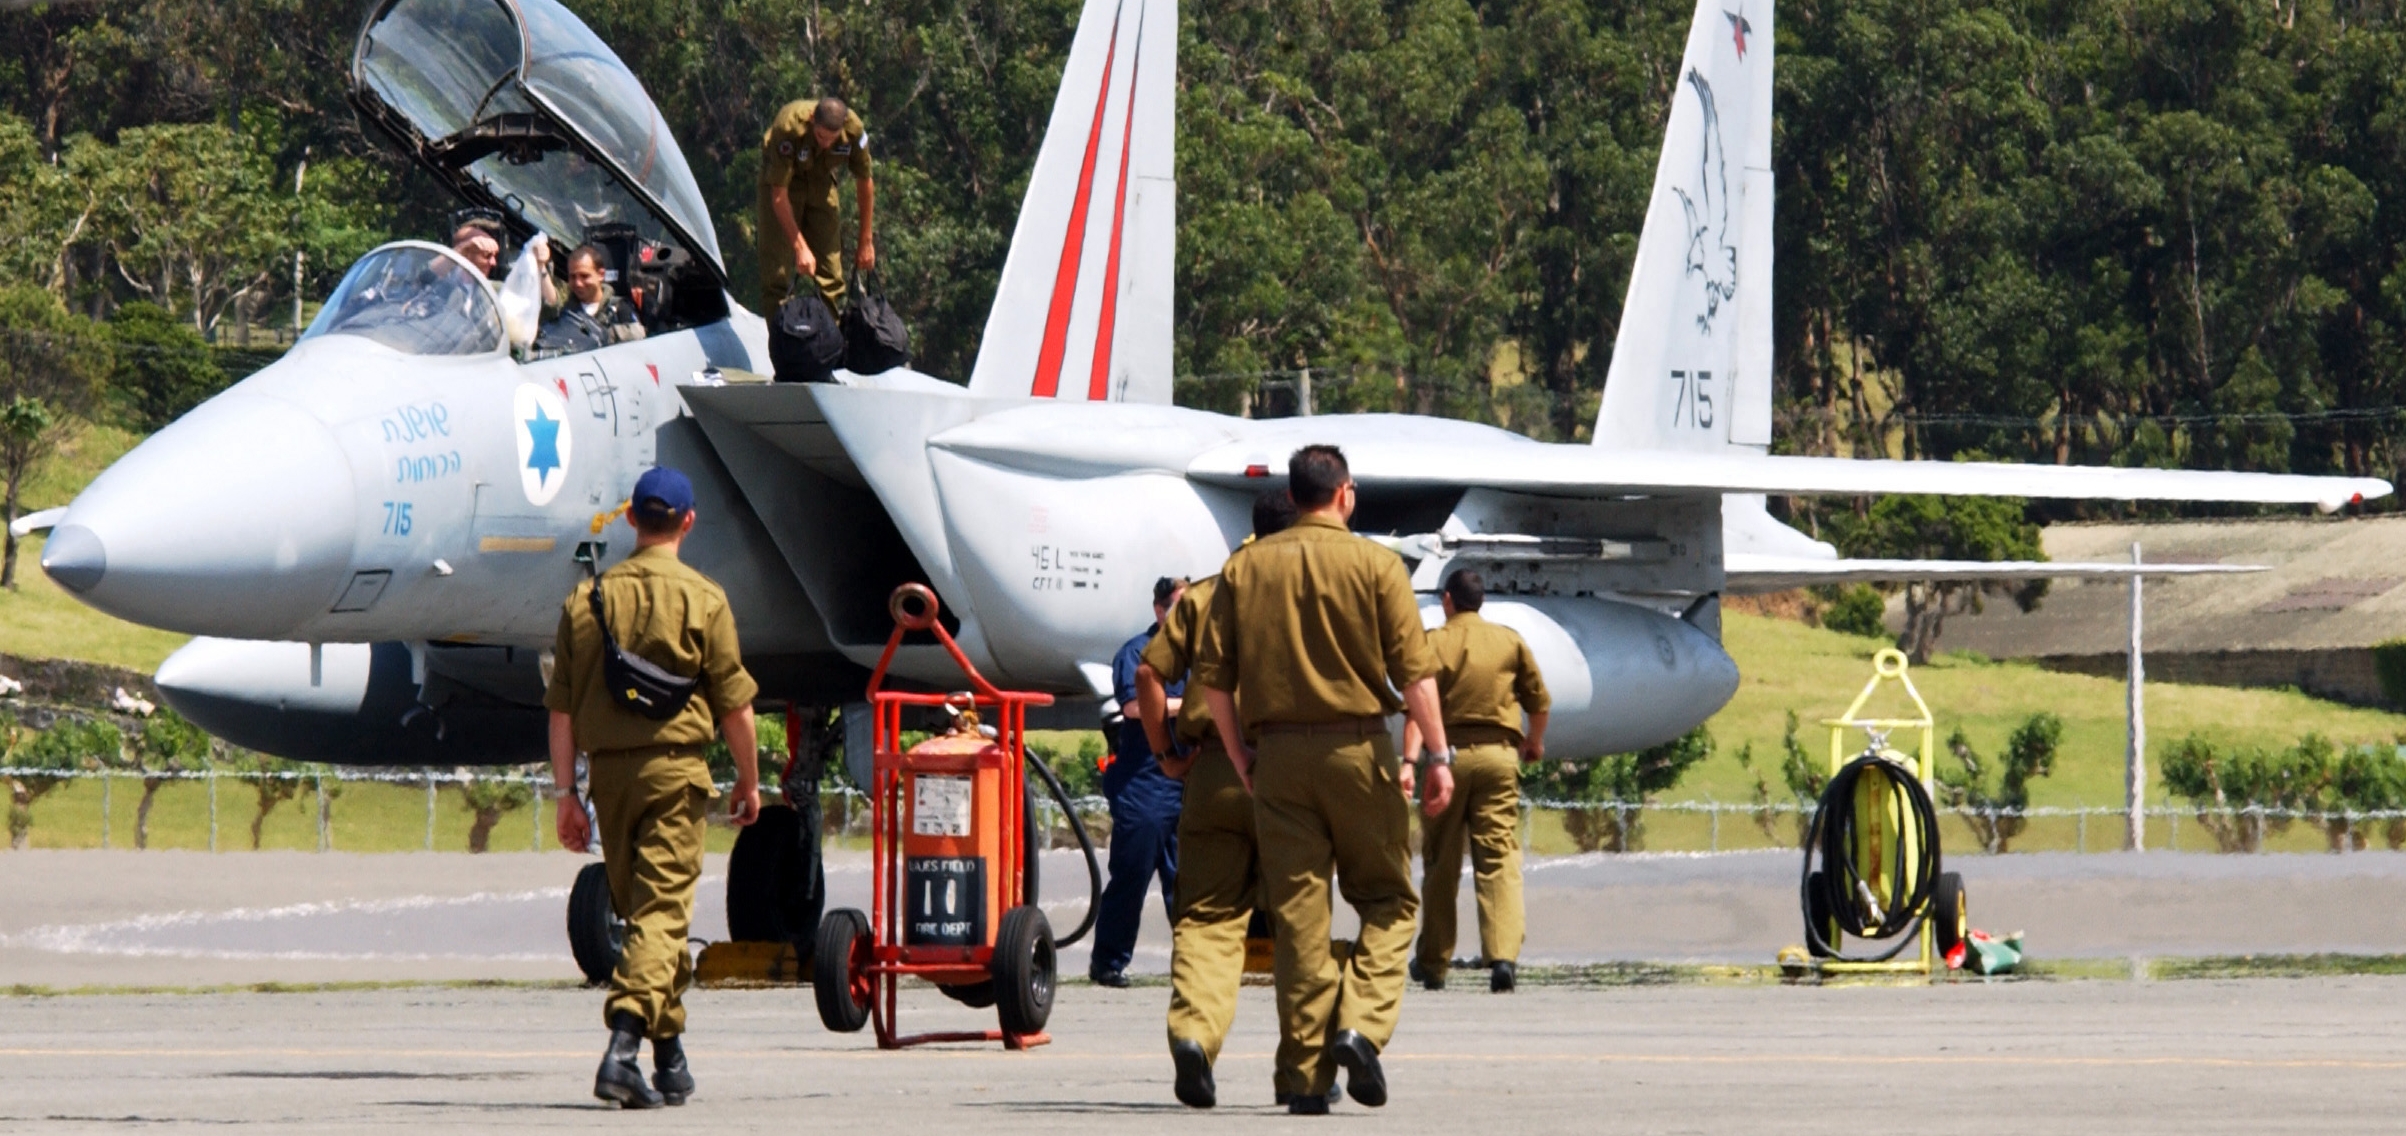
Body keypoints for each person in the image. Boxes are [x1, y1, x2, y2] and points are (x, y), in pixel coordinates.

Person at [1193, 444, 1454, 1115]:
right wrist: (1438, 758)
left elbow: (1214, 682)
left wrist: (1243, 757)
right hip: (1358, 752)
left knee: (1300, 923)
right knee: (1390, 900)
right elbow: (1415, 673)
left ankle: (1307, 1080)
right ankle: (1360, 1025)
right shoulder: (1376, 564)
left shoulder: (1243, 568)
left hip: (1277, 758)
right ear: (1344, 494)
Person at [546, 467, 763, 1109]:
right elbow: (736, 708)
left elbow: (560, 712)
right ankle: (622, 1048)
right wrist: (749, 782)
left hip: (609, 781)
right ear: (688, 522)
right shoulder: (705, 599)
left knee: (647, 922)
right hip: (674, 777)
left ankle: (668, 1055)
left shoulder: (585, 604)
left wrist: (566, 794)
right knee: (661, 918)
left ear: (633, 520)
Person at [1142, 489, 1308, 1110]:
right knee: (1299, 922)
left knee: (1208, 919)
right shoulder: (1317, 589)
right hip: (1294, 768)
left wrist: (1166, 756)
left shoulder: (1208, 592)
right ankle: (1301, 1067)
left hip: (1212, 770)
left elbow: (1147, 675)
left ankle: (1193, 1035)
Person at [1403, 569, 1549, 995]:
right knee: (1499, 857)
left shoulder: (1431, 642)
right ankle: (1502, 956)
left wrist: (1411, 761)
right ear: (1480, 601)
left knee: (1440, 862)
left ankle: (1433, 962)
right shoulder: (1509, 640)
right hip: (1499, 759)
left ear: (1447, 600)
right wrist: (1535, 743)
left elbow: (1417, 709)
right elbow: (1539, 702)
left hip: (1446, 758)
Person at [1091, 576, 1189, 987]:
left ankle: (1195, 964)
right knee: (1132, 875)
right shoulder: (1137, 652)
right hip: (1143, 785)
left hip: (1186, 780)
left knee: (1187, 880)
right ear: (1159, 610)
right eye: (1178, 608)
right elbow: (1134, 707)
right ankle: (1109, 962)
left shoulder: (1199, 656)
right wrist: (1196, 705)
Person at [757, 96, 875, 312]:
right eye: (821, 136)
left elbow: (865, 182)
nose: (826, 143)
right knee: (778, 275)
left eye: (832, 138)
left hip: (821, 182)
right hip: (783, 183)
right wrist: (800, 247)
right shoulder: (788, 127)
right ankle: (781, 341)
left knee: (831, 273)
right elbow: (778, 196)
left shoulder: (854, 131)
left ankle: (829, 341)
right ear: (812, 120)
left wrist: (866, 240)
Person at [539, 244, 648, 352]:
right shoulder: (567, 312)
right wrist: (541, 266)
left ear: (601, 275)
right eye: (573, 277)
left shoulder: (620, 310)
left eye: (584, 276)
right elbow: (552, 304)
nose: (578, 283)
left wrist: (607, 335)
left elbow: (639, 348)